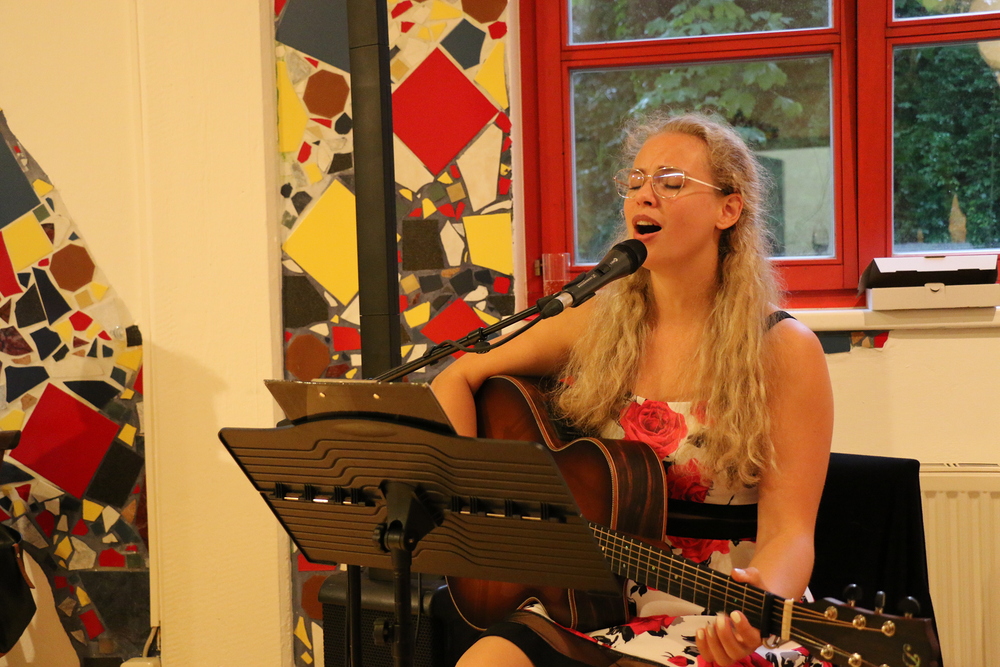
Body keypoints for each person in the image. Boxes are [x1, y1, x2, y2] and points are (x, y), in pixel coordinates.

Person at [431, 111, 834, 667]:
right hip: (589, 599)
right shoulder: (594, 320)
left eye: (671, 183)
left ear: (728, 209)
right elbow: (458, 375)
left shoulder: (784, 348)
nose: (645, 195)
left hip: (719, 610)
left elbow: (790, 533)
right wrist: (474, 503)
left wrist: (755, 612)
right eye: (636, 181)